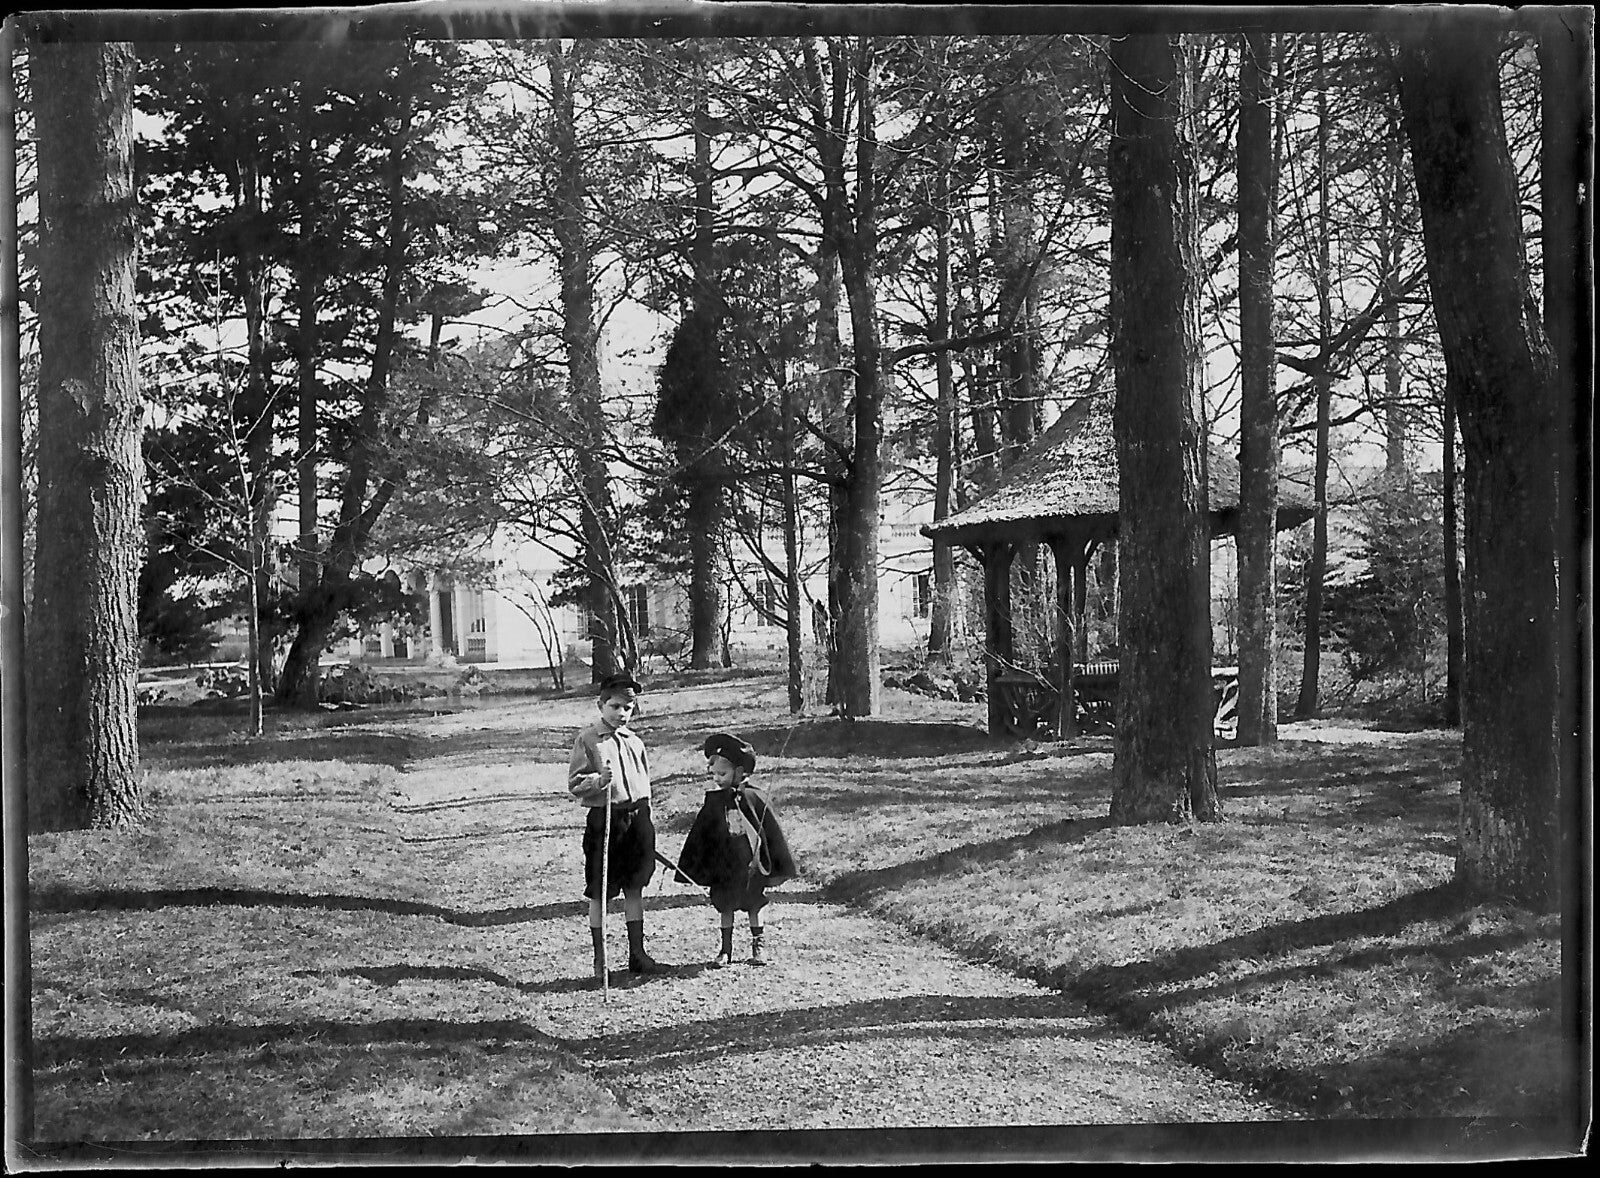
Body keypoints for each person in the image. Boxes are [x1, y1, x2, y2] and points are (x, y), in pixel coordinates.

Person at [567, 671, 668, 983]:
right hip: (605, 821)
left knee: (635, 885)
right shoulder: (588, 739)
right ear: (601, 705)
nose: (622, 713)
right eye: (615, 706)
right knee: (601, 889)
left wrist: (646, 823)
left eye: (628, 707)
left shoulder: (635, 741)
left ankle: (637, 953)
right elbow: (575, 783)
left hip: (636, 819)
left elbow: (644, 784)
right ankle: (602, 958)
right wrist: (598, 781)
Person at [675, 732, 797, 968]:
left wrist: (765, 859)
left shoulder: (754, 798)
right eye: (714, 775)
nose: (717, 779)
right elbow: (703, 832)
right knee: (725, 903)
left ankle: (758, 945)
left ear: (740, 773)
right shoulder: (714, 801)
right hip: (725, 865)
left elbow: (768, 832)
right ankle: (725, 949)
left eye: (723, 774)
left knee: (754, 902)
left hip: (750, 863)